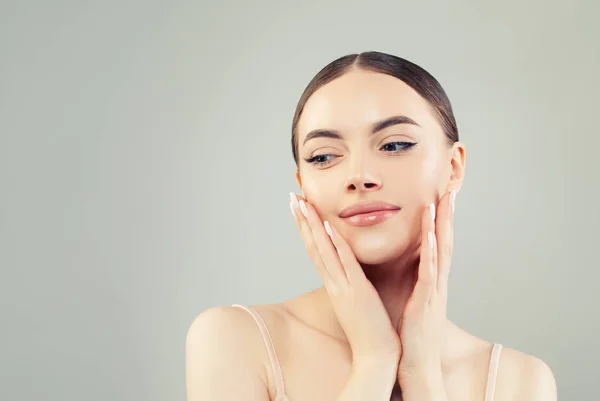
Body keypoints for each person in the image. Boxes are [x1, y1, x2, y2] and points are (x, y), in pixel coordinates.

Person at [185, 51, 557, 401]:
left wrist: (423, 376)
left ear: (454, 167)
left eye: (394, 145)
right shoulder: (235, 340)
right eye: (324, 156)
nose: (359, 176)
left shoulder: (520, 381)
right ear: (302, 185)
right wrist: (373, 363)